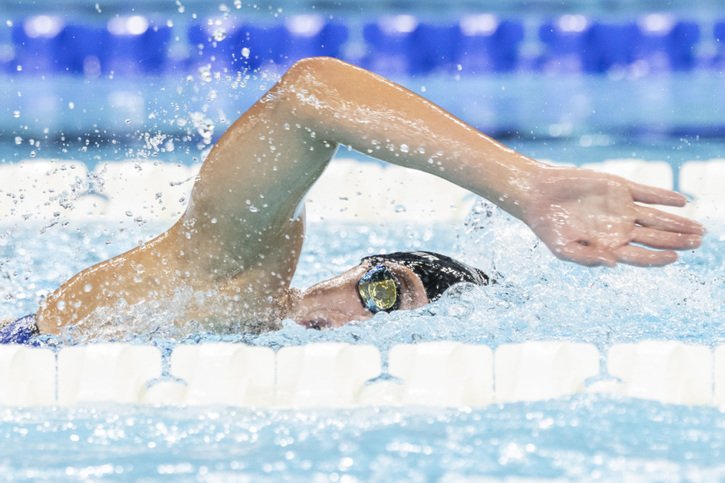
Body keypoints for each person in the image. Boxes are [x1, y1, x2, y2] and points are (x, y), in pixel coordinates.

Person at [0, 57, 704, 342]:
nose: (358, 321)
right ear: (347, 269)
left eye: (392, 319)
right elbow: (309, 94)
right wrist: (523, 185)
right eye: (381, 289)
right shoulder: (238, 283)